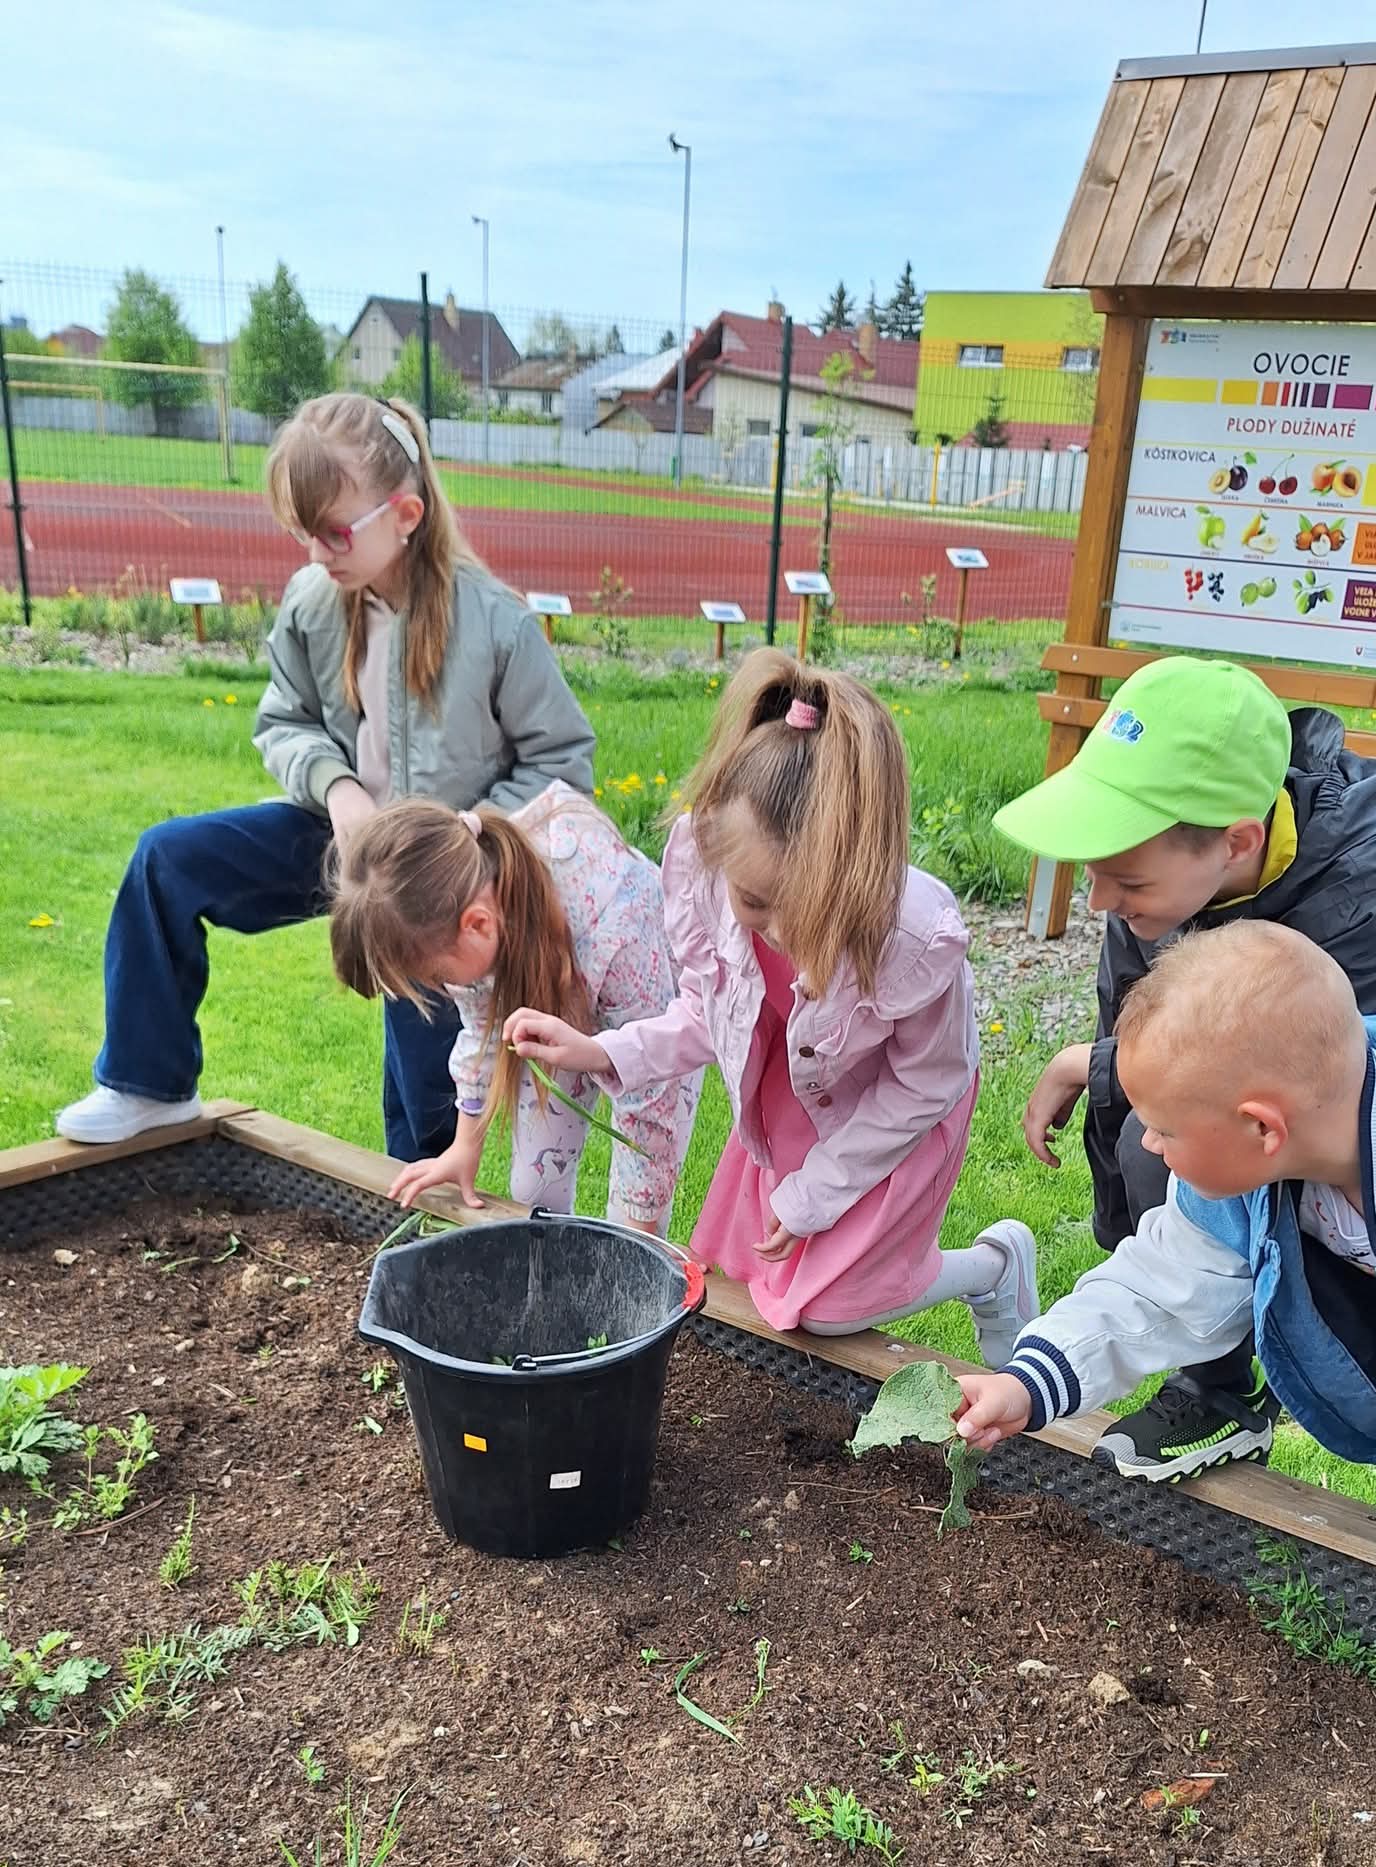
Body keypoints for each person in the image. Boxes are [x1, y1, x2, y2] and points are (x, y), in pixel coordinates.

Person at [56, 393, 595, 1160]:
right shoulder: (314, 600)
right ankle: (150, 1085)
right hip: (337, 830)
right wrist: (339, 791)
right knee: (166, 861)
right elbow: (285, 720)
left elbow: (560, 764)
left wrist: (463, 839)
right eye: (301, 531)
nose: (315, 553)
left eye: (333, 531)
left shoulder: (494, 623)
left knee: (423, 1063)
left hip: (443, 869)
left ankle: (429, 1194)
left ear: (405, 515)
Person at [989, 655, 1376, 1482]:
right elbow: (1166, 1269)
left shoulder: (1368, 894)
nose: (1100, 900)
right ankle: (1227, 1382)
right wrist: (1030, 1382)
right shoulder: (1157, 881)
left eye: (1122, 880)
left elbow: (1301, 1064)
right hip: (1355, 1187)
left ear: (1237, 843)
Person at [500, 649, 1036, 1356]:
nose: (779, 933)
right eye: (754, 902)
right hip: (791, 1099)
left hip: (885, 1110)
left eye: (808, 909)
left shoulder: (909, 941)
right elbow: (708, 1013)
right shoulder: (714, 874)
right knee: (766, 1283)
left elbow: (924, 1083)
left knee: (834, 1309)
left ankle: (992, 1268)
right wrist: (601, 1050)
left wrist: (816, 1190)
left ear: (853, 877)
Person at [952, 923, 1376, 1539]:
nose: (1148, 1143)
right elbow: (1161, 1287)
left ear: (1262, 1128)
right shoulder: (1287, 1143)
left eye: (1164, 1129)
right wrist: (1025, 1385)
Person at [328, 789, 697, 1233]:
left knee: (630, 1221)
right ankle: (548, 1270)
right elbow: (480, 1027)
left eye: (435, 975)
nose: (441, 988)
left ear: (478, 925)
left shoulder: (616, 927)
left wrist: (639, 1231)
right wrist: (465, 1145)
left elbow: (651, 1091)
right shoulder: (467, 905)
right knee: (532, 1189)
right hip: (559, 1012)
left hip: (660, 1028)